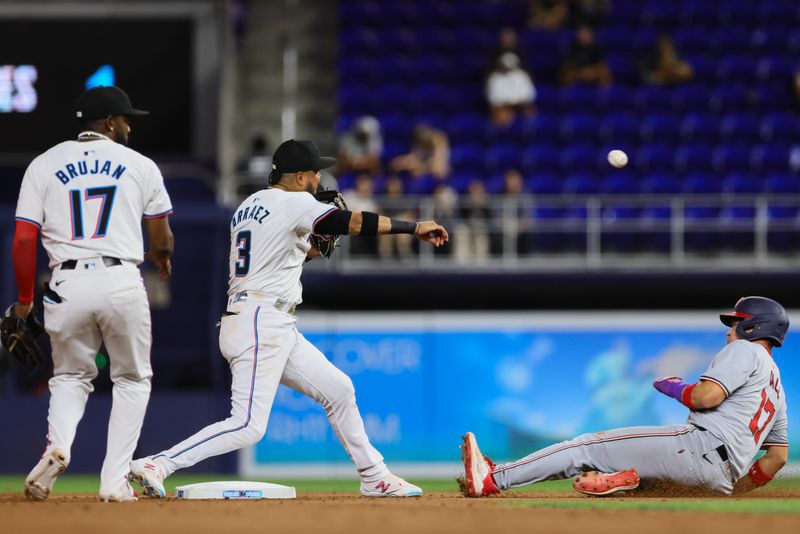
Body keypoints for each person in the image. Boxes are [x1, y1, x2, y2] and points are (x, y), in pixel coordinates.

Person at [130, 139, 448, 498]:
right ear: (298, 177)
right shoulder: (296, 202)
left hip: (264, 318)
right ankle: (159, 463)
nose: (318, 181)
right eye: (314, 173)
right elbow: (353, 222)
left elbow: (274, 258)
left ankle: (374, 475)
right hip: (260, 320)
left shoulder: (249, 205)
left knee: (339, 390)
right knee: (248, 425)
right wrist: (413, 227)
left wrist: (312, 251)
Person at [15, 86, 174, 502]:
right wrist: (162, 260)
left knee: (68, 376)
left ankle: (58, 445)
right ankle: (114, 481)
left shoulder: (43, 164)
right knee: (132, 379)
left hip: (64, 282)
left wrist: (24, 299)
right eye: (124, 119)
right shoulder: (140, 165)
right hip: (120, 277)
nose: (129, 125)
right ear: (108, 123)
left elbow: (22, 240)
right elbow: (161, 237)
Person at [460, 296, 789, 497]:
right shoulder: (777, 386)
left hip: (696, 447)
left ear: (753, 327)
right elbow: (777, 458)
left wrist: (674, 386)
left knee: (586, 446)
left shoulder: (745, 350)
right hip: (719, 478)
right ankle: (628, 479)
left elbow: (706, 397)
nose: (729, 330)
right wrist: (731, 491)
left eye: (736, 323)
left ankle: (493, 479)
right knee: (637, 477)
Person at [486, 53, 537, 126]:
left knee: (530, 112)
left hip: (520, 107)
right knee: (501, 115)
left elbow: (530, 95)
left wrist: (517, 103)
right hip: (502, 108)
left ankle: (527, 130)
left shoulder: (522, 75)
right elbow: (493, 99)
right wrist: (509, 103)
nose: (508, 67)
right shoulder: (494, 77)